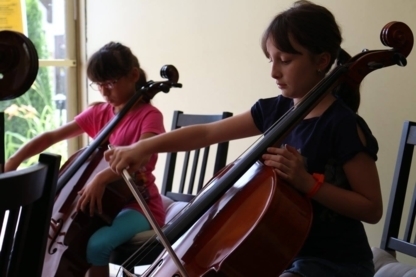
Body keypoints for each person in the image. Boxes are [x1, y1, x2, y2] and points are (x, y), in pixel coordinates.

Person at [104, 1, 383, 277]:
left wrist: (308, 185)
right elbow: (207, 132)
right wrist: (143, 146)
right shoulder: (275, 110)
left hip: (335, 263)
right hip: (279, 255)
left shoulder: (343, 125)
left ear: (322, 61)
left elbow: (371, 208)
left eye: (285, 61)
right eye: (271, 60)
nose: (274, 72)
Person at [5, 42, 166, 277]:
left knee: (96, 245)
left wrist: (101, 178)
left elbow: (141, 157)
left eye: (110, 83)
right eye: (98, 84)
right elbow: (52, 136)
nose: (104, 92)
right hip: (103, 205)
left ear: (133, 76)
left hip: (139, 204)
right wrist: (14, 160)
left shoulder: (149, 116)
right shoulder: (100, 113)